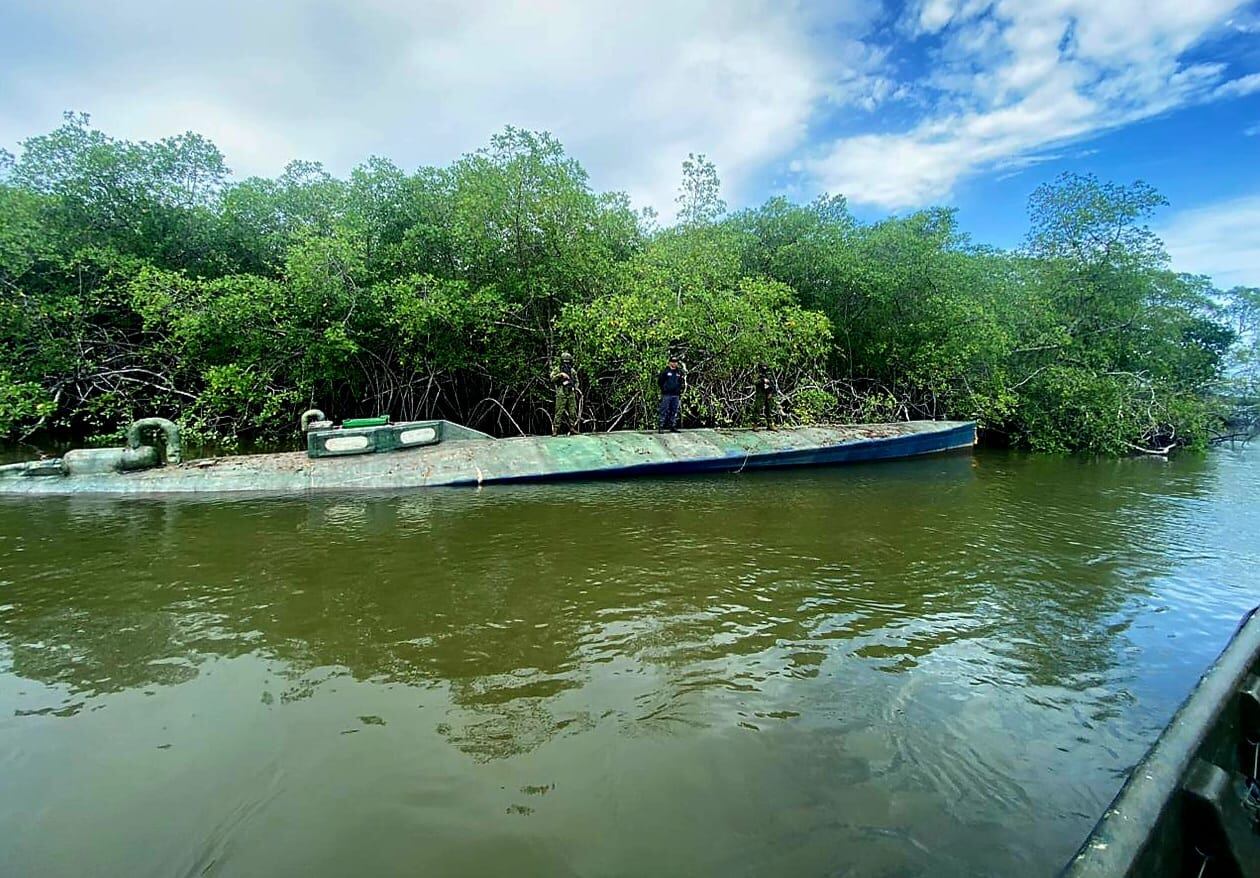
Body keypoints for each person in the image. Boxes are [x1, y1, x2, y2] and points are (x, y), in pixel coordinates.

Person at [551, 352, 580, 435]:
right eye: (564, 362)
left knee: (573, 411)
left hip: (570, 392)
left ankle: (572, 428)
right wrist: (560, 375)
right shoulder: (557, 369)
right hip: (561, 392)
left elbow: (577, 381)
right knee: (559, 411)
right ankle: (555, 429)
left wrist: (575, 388)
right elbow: (552, 379)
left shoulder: (572, 371)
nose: (566, 364)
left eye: (567, 362)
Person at [657, 355, 686, 432]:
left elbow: (680, 382)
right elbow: (660, 382)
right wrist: (664, 389)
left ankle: (672, 426)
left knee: (674, 411)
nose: (674, 364)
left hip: (675, 395)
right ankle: (661, 426)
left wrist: (679, 390)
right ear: (669, 362)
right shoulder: (665, 371)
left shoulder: (679, 372)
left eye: (676, 362)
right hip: (667, 394)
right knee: (664, 410)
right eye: (673, 362)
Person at [754, 363, 779, 430]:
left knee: (769, 409)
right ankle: (755, 424)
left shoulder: (769, 374)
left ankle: (770, 424)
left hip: (768, 393)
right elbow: (754, 382)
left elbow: (772, 383)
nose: (764, 368)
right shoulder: (758, 374)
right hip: (760, 394)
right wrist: (762, 380)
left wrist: (771, 392)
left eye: (766, 366)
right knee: (758, 409)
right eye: (763, 366)